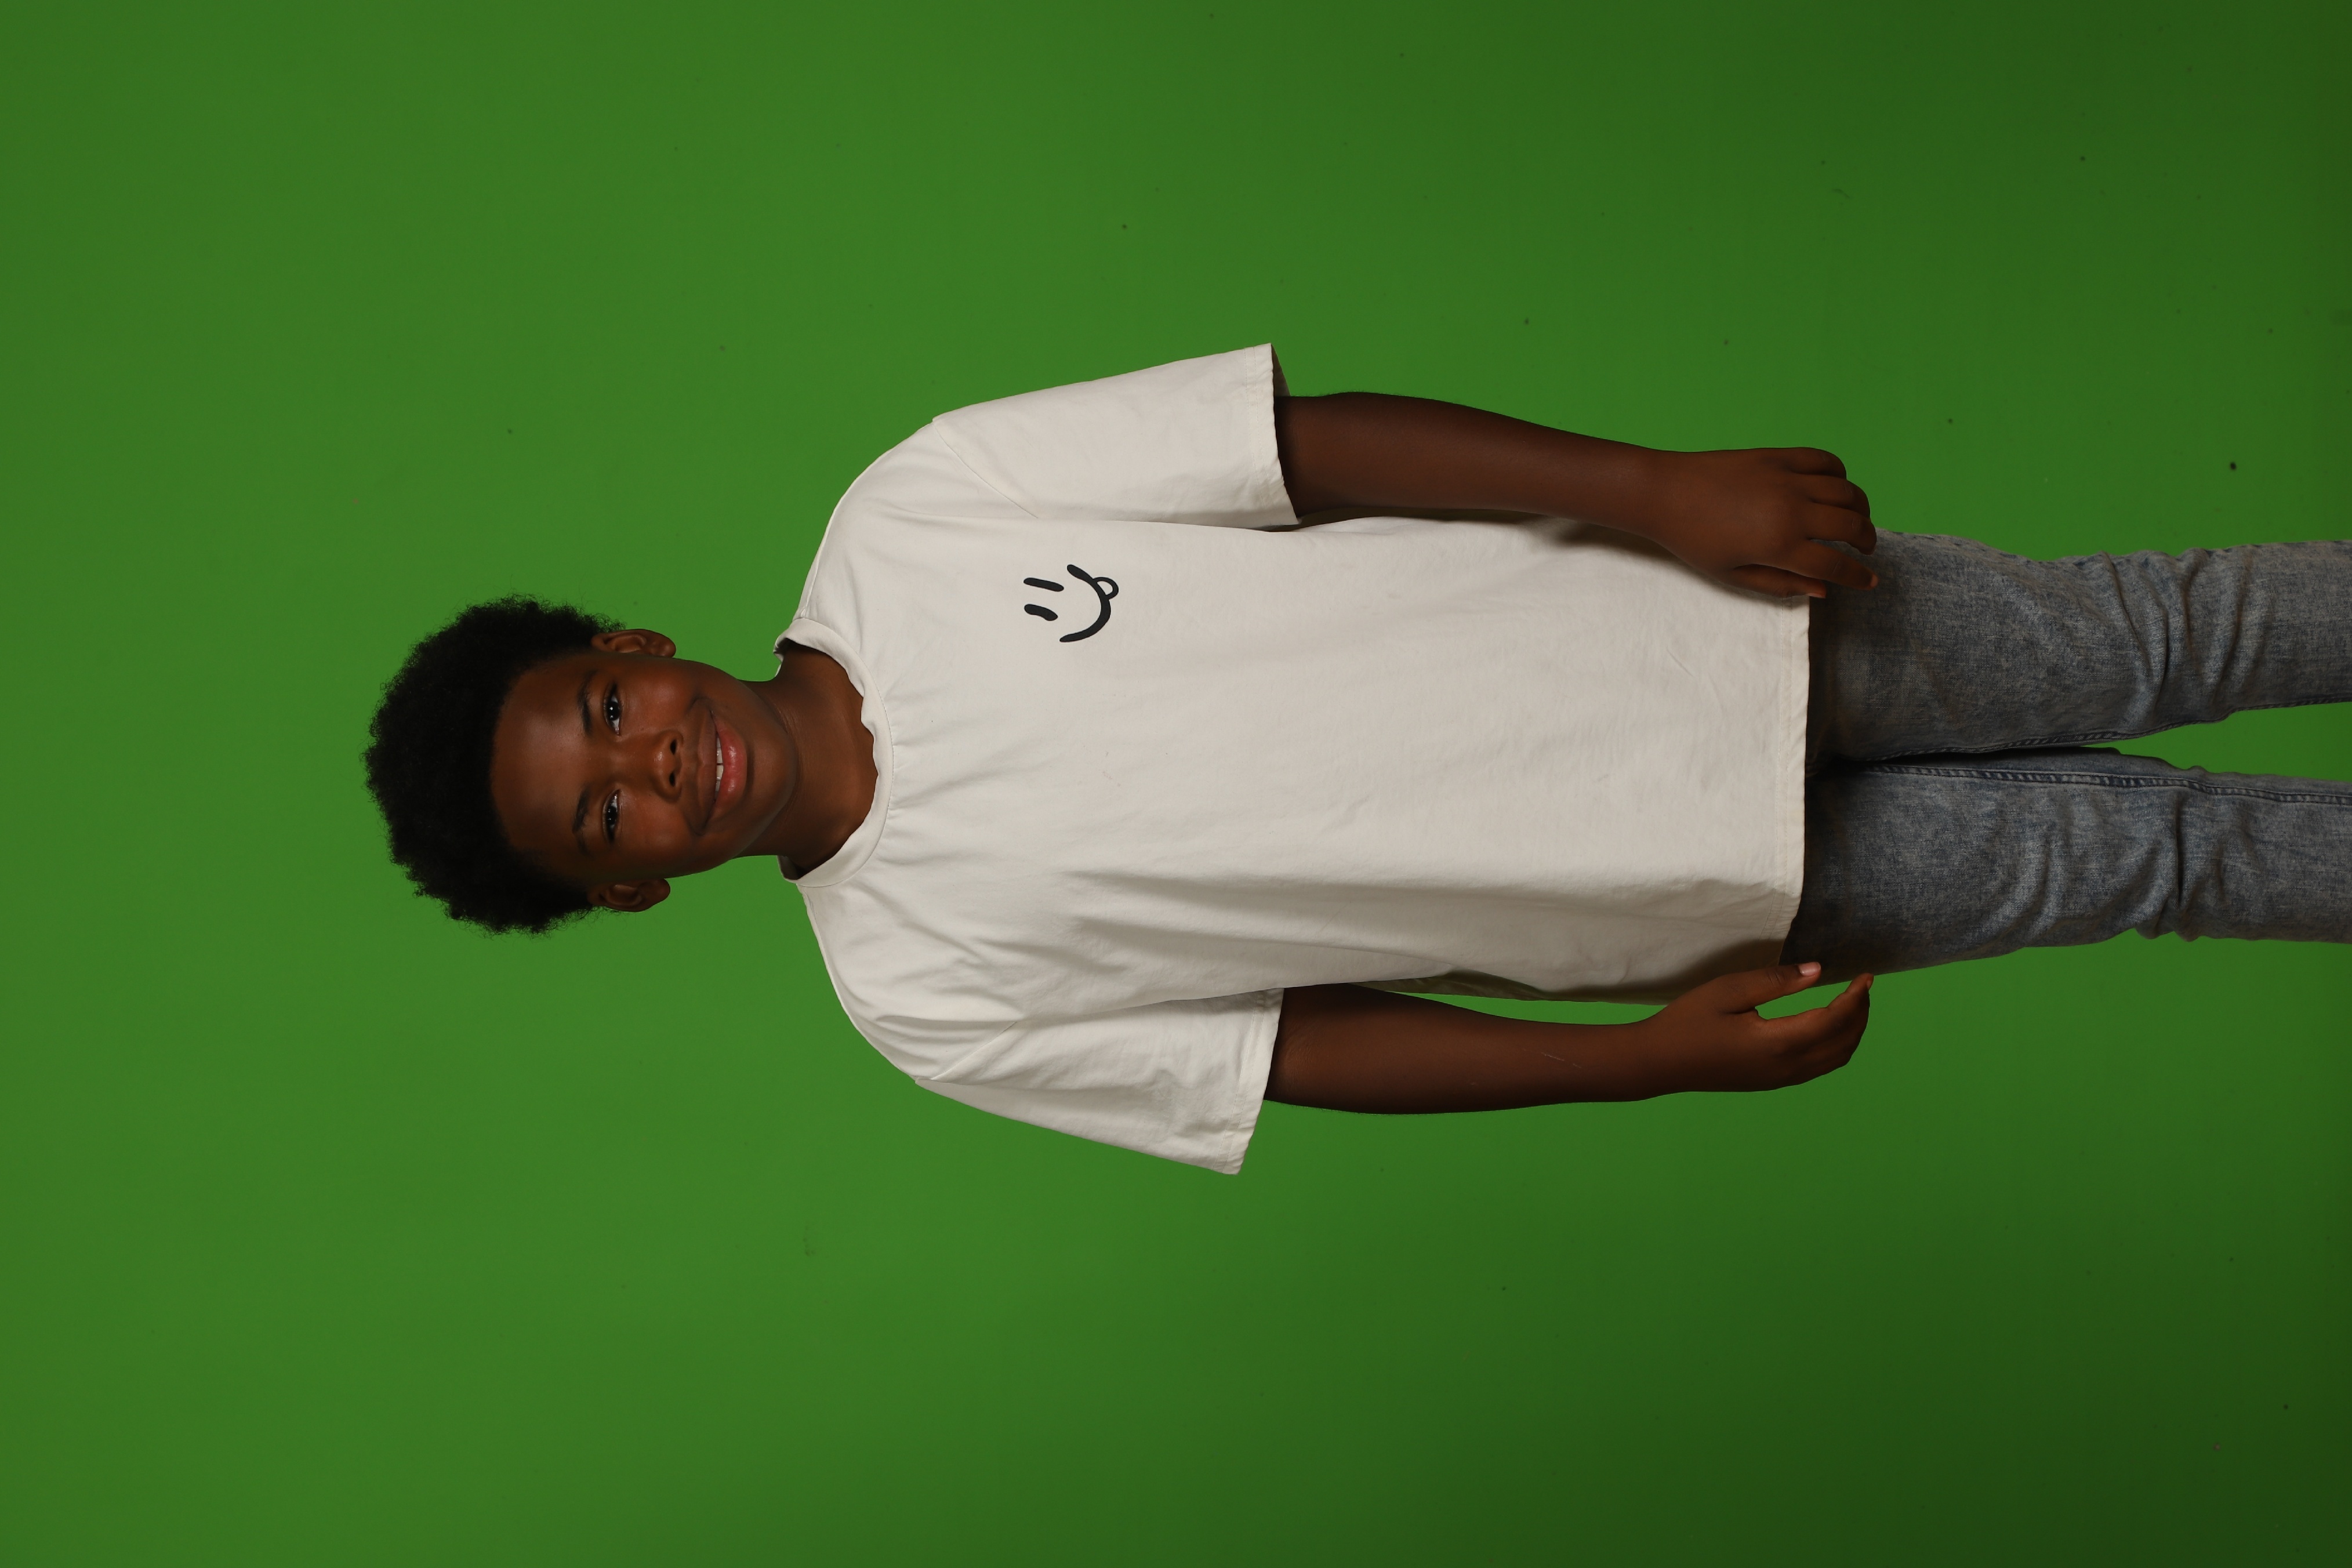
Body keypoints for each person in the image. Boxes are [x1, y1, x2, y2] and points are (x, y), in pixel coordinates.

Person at [365, 347, 2352, 1173]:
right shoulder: (921, 996)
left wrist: (1655, 489)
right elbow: (1295, 1050)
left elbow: (1299, 453)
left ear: (635, 650)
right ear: (631, 884)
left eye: (607, 715)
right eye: (605, 818)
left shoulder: (920, 510)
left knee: (2163, 632)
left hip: (1718, 613)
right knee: (2151, 860)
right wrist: (1637, 1061)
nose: (654, 770)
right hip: (1701, 895)